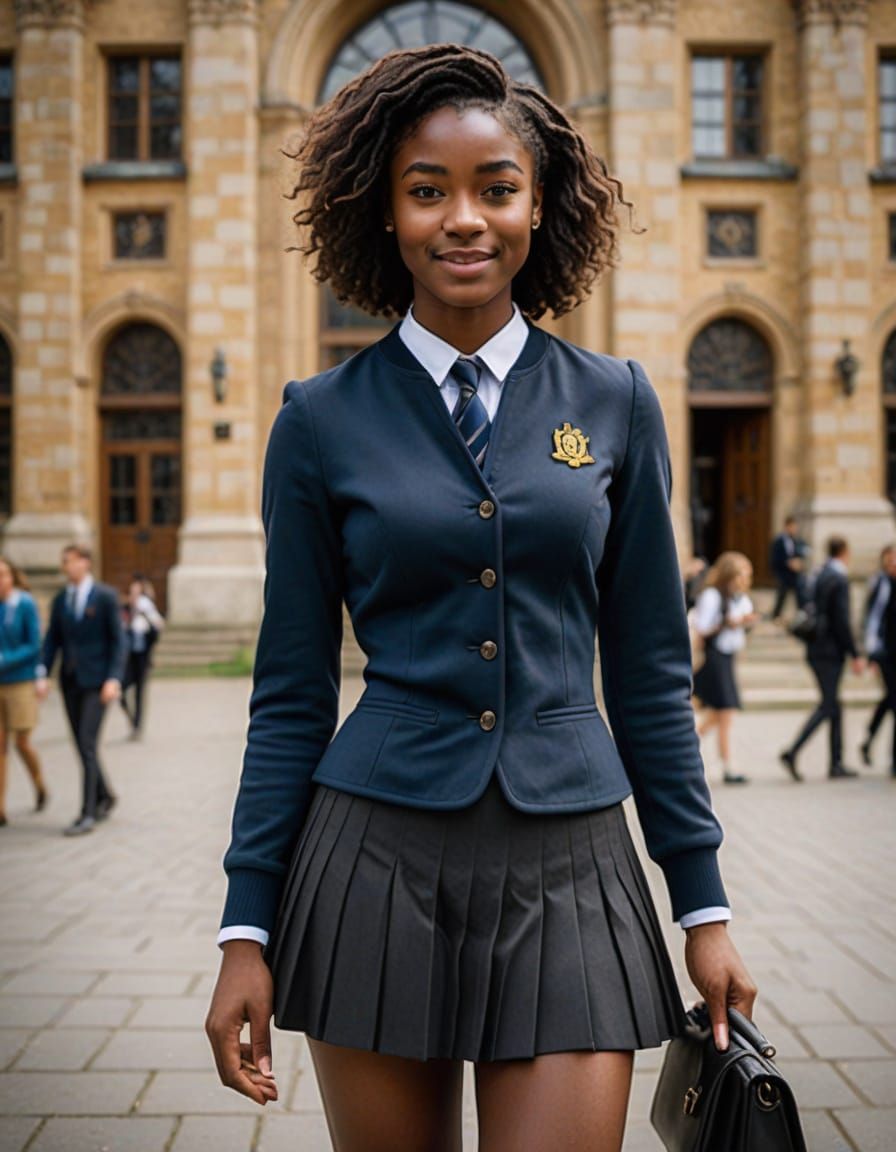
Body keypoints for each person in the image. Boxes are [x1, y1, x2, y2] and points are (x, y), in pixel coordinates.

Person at [205, 46, 755, 1152]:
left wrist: (700, 906)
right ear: (386, 211)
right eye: (427, 191)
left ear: (536, 204)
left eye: (494, 187)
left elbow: (648, 668)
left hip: (571, 864)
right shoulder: (317, 418)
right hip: (372, 861)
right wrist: (244, 928)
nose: (463, 219)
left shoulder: (615, 401)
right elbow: (291, 692)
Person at [36, 544, 126, 836]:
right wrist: (42, 673)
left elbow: (118, 642)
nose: (67, 567)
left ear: (85, 563)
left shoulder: (105, 597)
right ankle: (106, 795)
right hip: (71, 681)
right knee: (80, 743)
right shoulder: (61, 600)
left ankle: (87, 813)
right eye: (64, 562)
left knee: (87, 742)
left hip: (99, 684)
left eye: (71, 561)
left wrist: (114, 679)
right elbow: (52, 641)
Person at [780, 536, 865, 782]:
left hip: (816, 647)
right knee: (829, 705)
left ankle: (836, 762)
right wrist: (855, 653)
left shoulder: (818, 572)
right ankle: (792, 752)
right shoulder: (838, 578)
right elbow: (841, 621)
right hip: (829, 652)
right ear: (845, 552)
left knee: (835, 706)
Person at [691, 552, 758, 785]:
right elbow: (703, 629)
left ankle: (688, 746)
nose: (745, 579)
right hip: (714, 658)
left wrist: (745, 623)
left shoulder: (738, 597)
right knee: (726, 711)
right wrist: (729, 623)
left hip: (728, 658)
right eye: (742, 573)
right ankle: (727, 765)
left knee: (721, 714)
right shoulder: (712, 595)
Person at [0, 556, 47, 825]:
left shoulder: (24, 604)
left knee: (22, 742)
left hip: (20, 681)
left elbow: (34, 645)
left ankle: (39, 783)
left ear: (12, 576)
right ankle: (0, 807)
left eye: (3, 574)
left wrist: (5, 659)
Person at [861, 544, 896, 774]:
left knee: (890, 699)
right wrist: (871, 653)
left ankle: (869, 738)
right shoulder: (881, 583)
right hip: (886, 653)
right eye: (890, 560)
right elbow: (871, 620)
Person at [120, 576, 164, 740]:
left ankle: (137, 726)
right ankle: (132, 719)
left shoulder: (146, 610)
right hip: (129, 658)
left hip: (143, 658)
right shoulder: (125, 611)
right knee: (121, 689)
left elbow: (158, 626)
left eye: (137, 591)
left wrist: (146, 620)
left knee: (140, 693)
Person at [769, 515, 809, 622]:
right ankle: (776, 614)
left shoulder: (797, 540)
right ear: (787, 526)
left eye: (795, 527)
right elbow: (775, 558)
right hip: (784, 573)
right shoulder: (779, 541)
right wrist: (788, 563)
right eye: (792, 526)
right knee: (782, 595)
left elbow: (802, 553)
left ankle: (802, 613)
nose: (794, 529)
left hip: (795, 574)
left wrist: (799, 562)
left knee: (800, 594)